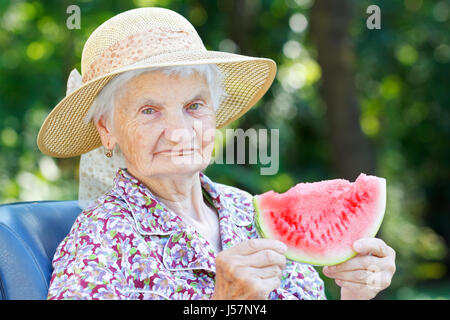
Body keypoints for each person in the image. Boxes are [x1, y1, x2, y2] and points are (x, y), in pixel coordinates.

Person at [38, 7, 395, 300]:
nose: (179, 133)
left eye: (194, 105)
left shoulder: (247, 212)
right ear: (107, 129)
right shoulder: (97, 241)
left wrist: (354, 293)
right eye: (150, 110)